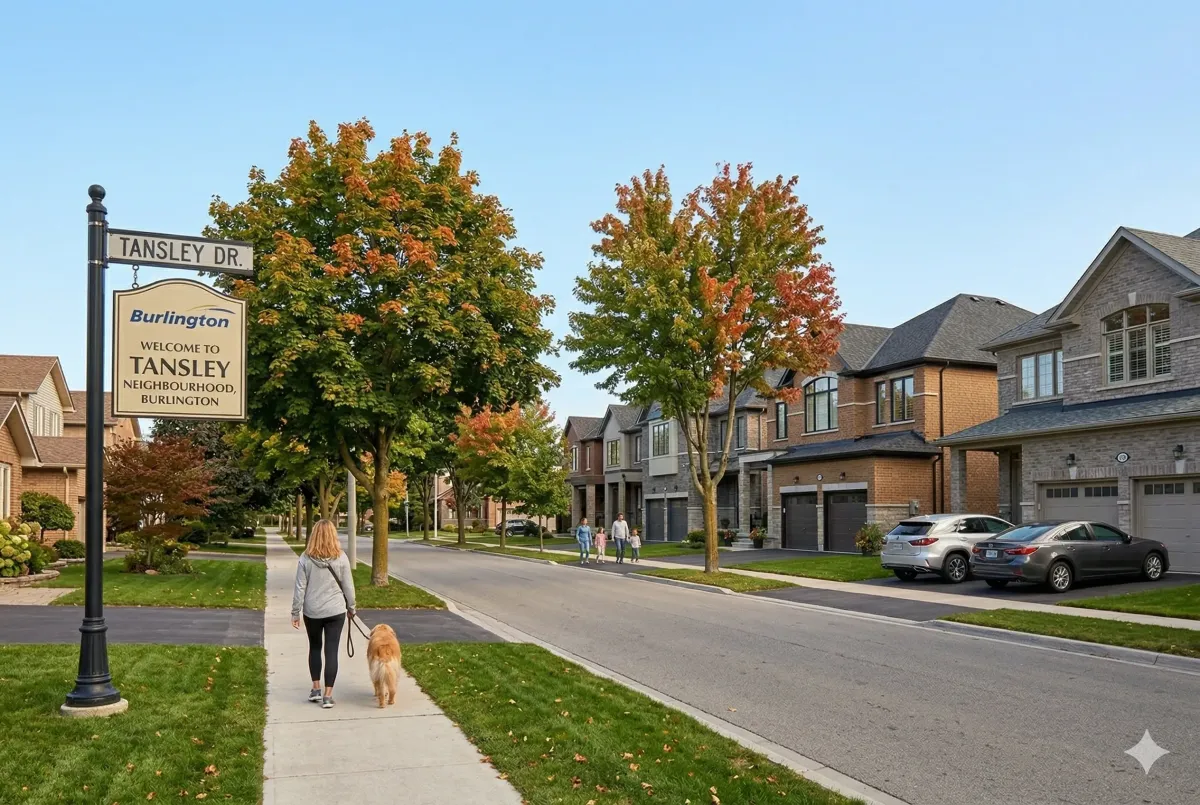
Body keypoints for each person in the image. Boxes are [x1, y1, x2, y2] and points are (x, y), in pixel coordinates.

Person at [291, 519, 356, 709]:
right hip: (336, 610)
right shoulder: (341, 557)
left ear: (314, 536)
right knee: (331, 650)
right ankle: (328, 696)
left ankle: (315, 689)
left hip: (312, 611)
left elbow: (299, 588)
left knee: (315, 647)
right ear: (333, 536)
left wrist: (295, 612)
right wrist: (351, 607)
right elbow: (348, 586)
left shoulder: (305, 558)